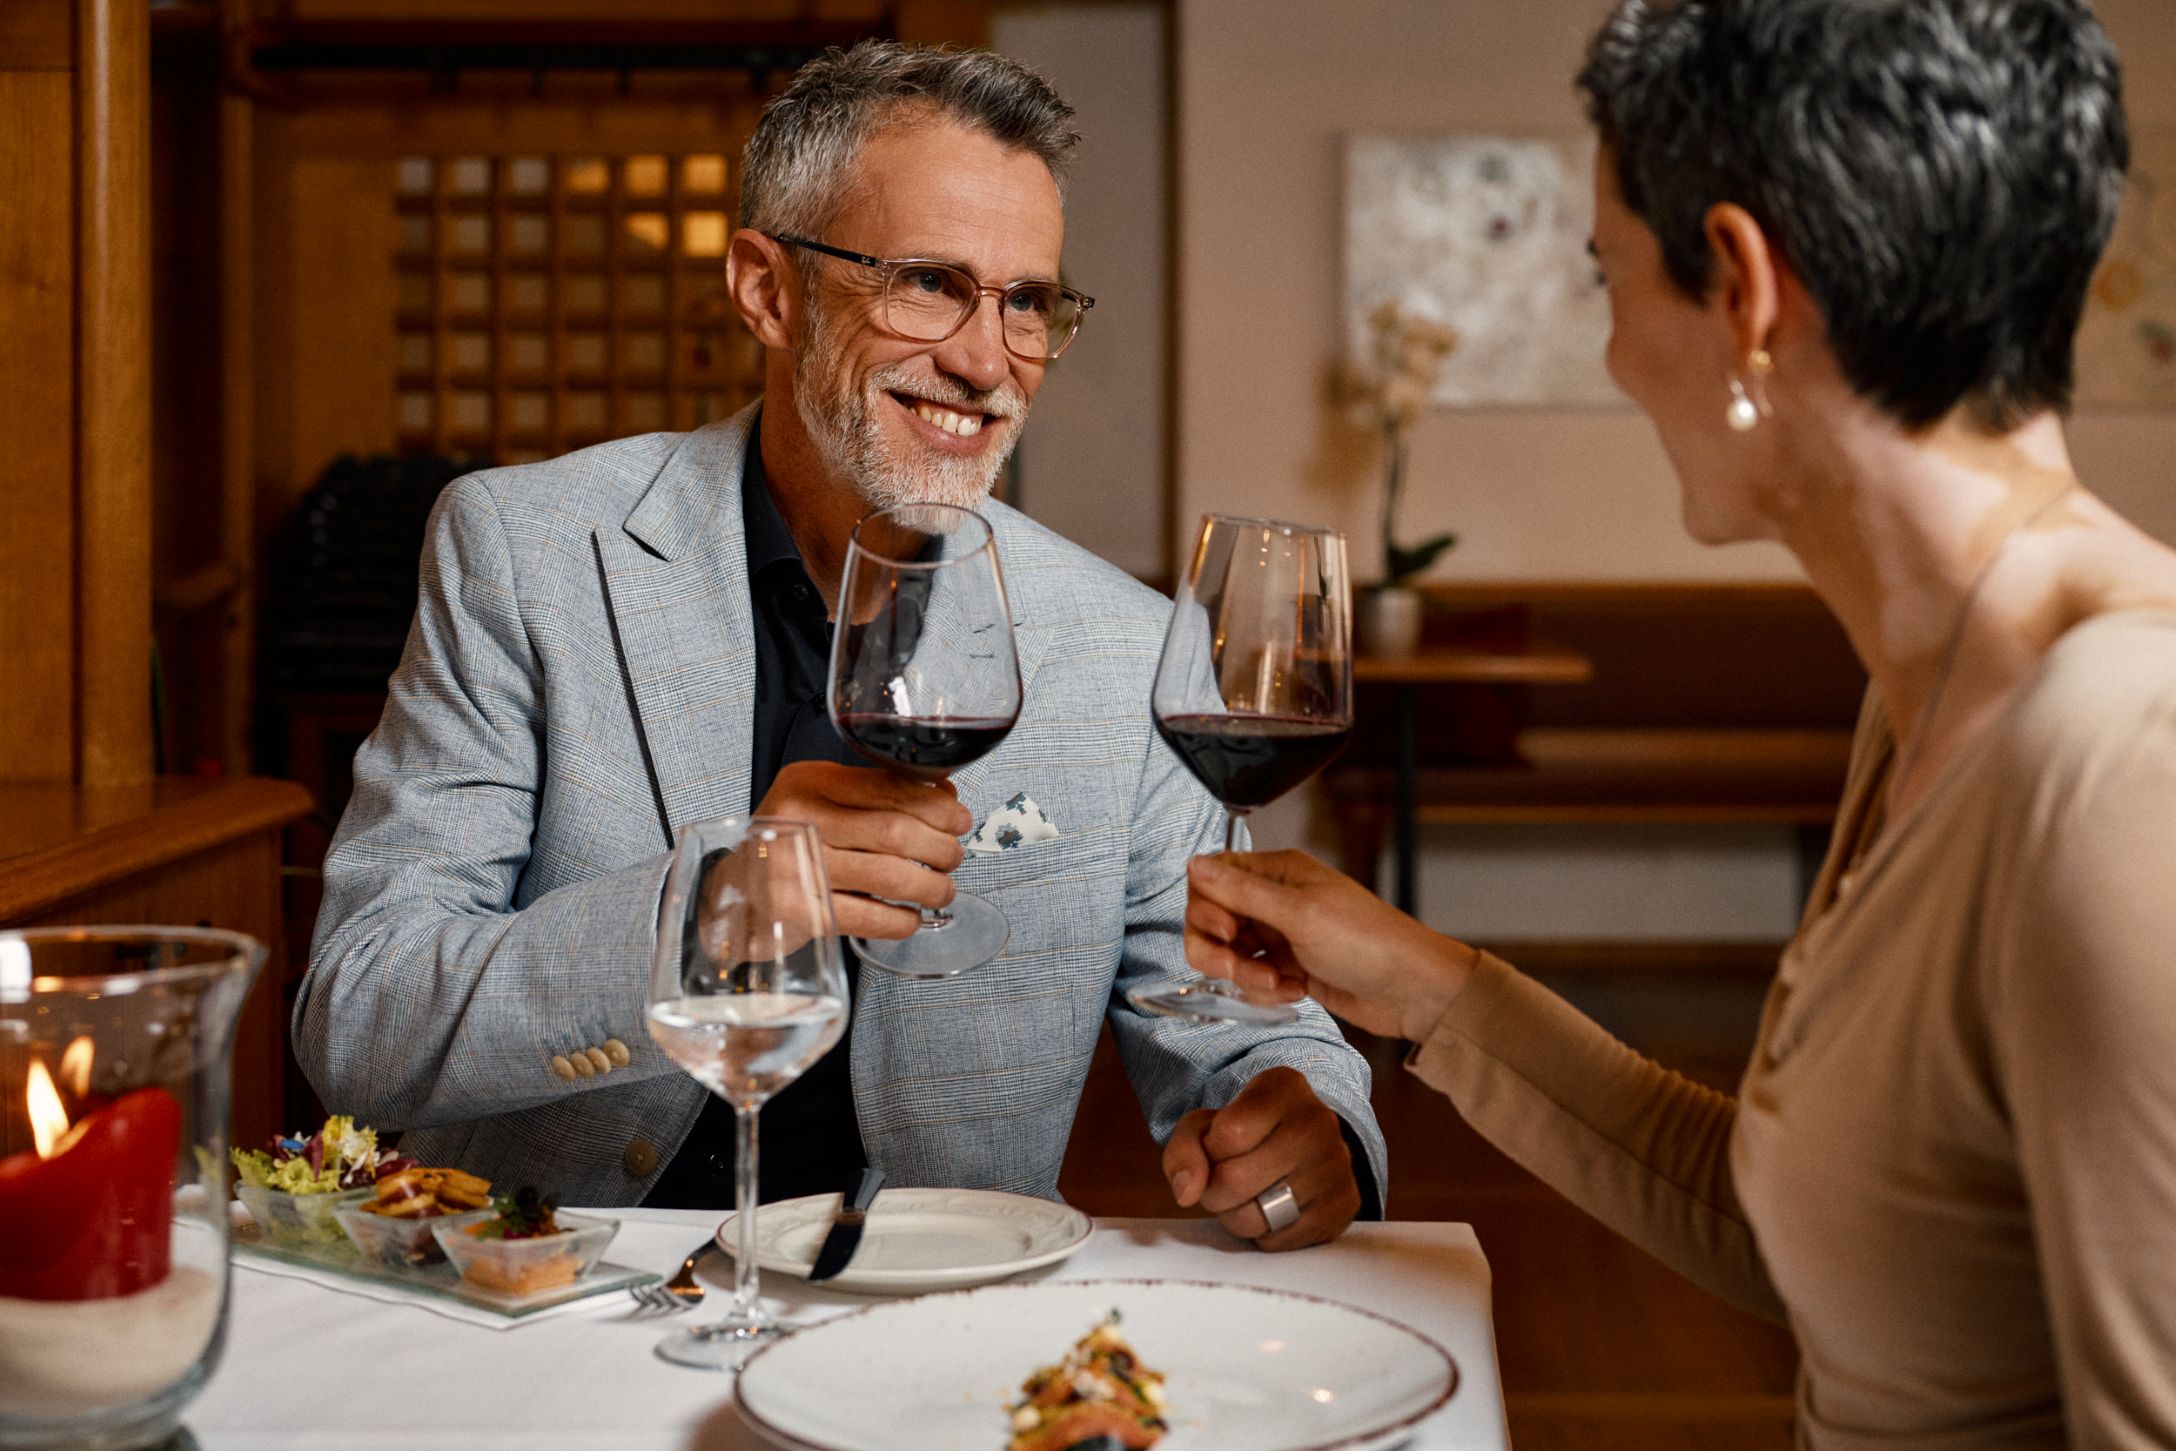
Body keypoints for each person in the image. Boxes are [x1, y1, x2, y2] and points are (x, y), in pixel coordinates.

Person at [1185, 0, 2176, 1441]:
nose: (1610, 354)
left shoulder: (2122, 766)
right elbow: (1831, 1233)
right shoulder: (1934, 694)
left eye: (1610, 280)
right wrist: (1427, 984)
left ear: (1743, 289)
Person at [295, 40, 1383, 1249]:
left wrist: (1305, 1120)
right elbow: (361, 1019)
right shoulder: (525, 550)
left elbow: (1234, 1020)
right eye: (927, 281)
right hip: (556, 1304)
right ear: (767, 290)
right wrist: (709, 909)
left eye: (1027, 300)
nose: (986, 358)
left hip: (935, 1327)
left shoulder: (1125, 649)